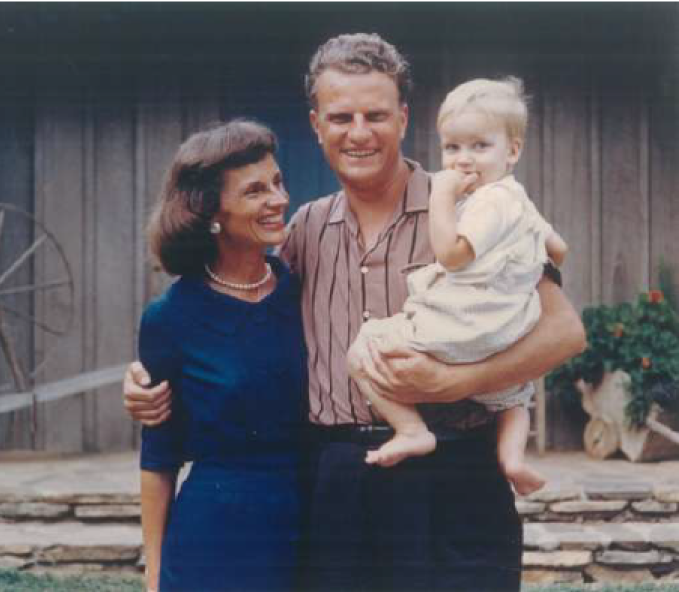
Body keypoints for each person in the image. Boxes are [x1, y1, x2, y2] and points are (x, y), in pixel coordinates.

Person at [125, 34, 585, 592]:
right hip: (337, 484)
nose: (360, 133)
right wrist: (146, 384)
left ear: (404, 118)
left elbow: (564, 331)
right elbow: (227, 310)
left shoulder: (473, 208)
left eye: (377, 115)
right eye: (342, 117)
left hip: (456, 475)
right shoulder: (302, 234)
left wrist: (453, 381)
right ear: (317, 125)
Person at [346, 77, 567, 497]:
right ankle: (513, 458)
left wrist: (441, 197)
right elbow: (559, 248)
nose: (464, 160)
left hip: (456, 328)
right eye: (453, 148)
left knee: (363, 347)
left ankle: (411, 429)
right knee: (512, 399)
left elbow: (450, 254)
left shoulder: (487, 202)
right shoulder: (521, 201)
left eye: (479, 147)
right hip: (502, 333)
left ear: (513, 151)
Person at [137, 119, 307, 591]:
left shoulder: (301, 290)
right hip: (216, 541)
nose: (278, 199)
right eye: (255, 191)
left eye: (277, 182)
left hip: (310, 529)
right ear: (211, 213)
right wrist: (154, 573)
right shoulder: (170, 318)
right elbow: (158, 455)